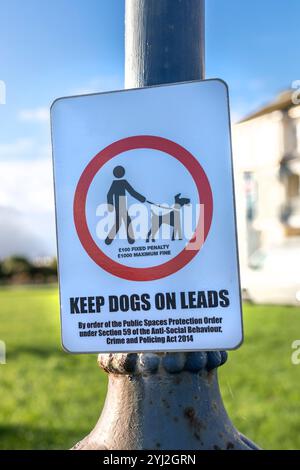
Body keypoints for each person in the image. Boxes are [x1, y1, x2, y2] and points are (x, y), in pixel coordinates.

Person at [105, 166, 146, 245]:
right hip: (121, 204)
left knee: (119, 222)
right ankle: (130, 240)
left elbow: (109, 195)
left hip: (119, 204)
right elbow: (132, 192)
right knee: (126, 221)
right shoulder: (123, 182)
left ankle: (108, 240)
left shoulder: (115, 183)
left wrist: (110, 205)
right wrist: (142, 199)